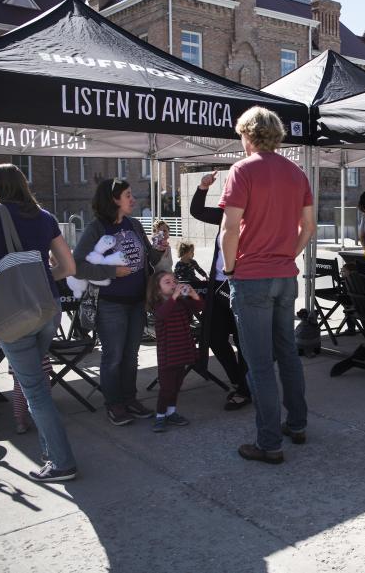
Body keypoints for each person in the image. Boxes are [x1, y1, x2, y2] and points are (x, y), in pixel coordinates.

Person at [0, 164, 78, 482]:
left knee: (35, 392)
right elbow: (67, 266)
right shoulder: (45, 217)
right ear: (24, 185)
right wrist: (38, 281)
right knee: (38, 384)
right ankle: (49, 453)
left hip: (14, 315)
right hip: (48, 309)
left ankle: (62, 462)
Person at [219, 107, 315, 464]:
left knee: (259, 363)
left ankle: (269, 442)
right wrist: (287, 254)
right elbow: (308, 227)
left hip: (252, 278)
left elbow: (230, 229)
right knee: (287, 353)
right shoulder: (296, 172)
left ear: (248, 135)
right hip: (284, 275)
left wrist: (229, 270)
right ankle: (298, 423)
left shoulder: (242, 170)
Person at [72, 178, 165, 426]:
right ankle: (114, 404)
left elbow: (149, 260)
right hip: (110, 304)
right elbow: (77, 266)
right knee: (113, 357)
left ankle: (129, 399)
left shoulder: (134, 224)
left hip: (137, 302)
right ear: (113, 200)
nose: (132, 199)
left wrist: (160, 249)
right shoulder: (96, 228)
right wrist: (111, 273)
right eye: (127, 195)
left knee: (131, 356)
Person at [189, 171, 252, 411]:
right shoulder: (226, 214)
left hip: (241, 287)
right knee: (214, 338)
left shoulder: (253, 216)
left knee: (243, 341)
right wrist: (203, 187)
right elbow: (197, 211)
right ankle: (239, 381)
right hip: (217, 287)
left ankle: (246, 389)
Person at [146, 271, 203, 432]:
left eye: (174, 281)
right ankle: (160, 416)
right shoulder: (159, 306)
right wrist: (175, 296)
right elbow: (163, 314)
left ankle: (171, 412)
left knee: (177, 385)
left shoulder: (181, 302)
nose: (173, 284)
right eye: (167, 282)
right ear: (157, 290)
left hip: (182, 349)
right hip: (168, 354)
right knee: (166, 388)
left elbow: (199, 306)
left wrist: (193, 294)